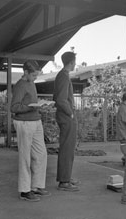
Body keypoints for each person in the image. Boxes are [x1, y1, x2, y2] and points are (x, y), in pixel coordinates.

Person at [11, 60, 50, 202]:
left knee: (41, 154)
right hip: (24, 123)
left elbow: (29, 102)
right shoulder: (20, 86)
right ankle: (24, 191)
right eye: (33, 75)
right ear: (25, 72)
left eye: (36, 75)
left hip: (35, 120)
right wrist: (31, 107)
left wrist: (39, 106)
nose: (35, 78)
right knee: (25, 157)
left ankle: (36, 186)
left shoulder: (31, 82)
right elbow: (14, 107)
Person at [53, 51, 79, 191]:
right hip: (66, 116)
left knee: (69, 147)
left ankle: (66, 177)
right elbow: (61, 99)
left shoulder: (63, 75)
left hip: (65, 115)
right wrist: (70, 113)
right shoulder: (63, 76)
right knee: (67, 148)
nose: (75, 63)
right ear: (71, 62)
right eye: (75, 61)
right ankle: (64, 181)